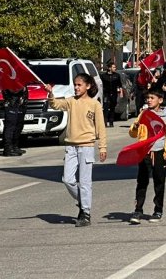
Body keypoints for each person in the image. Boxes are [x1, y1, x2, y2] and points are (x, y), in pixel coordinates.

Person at [46, 73, 107, 227]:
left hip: (86, 146)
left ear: (88, 86)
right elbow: (56, 105)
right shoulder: (71, 101)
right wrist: (50, 94)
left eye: (79, 85)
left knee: (85, 182)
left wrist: (102, 147)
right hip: (71, 146)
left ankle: (85, 213)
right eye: (75, 85)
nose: (76, 87)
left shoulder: (94, 104)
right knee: (67, 179)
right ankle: (82, 201)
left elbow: (101, 128)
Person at [128, 88, 166, 224]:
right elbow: (133, 133)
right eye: (147, 98)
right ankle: (138, 210)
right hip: (145, 152)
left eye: (152, 98)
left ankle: (158, 210)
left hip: (160, 152)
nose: (149, 100)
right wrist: (135, 126)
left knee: (159, 182)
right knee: (142, 181)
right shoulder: (143, 114)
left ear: (160, 100)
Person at [1, 86, 28, 157]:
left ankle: (14, 146)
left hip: (20, 103)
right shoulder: (8, 81)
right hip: (11, 103)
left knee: (19, 125)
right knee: (10, 127)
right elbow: (11, 90)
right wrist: (20, 89)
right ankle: (8, 149)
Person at [100, 61, 123, 129]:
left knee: (112, 108)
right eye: (113, 67)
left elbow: (119, 84)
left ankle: (111, 122)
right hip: (106, 94)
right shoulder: (103, 76)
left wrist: (121, 92)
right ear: (109, 68)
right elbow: (101, 85)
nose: (115, 68)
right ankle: (105, 122)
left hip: (114, 93)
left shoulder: (117, 75)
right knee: (106, 108)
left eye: (115, 67)